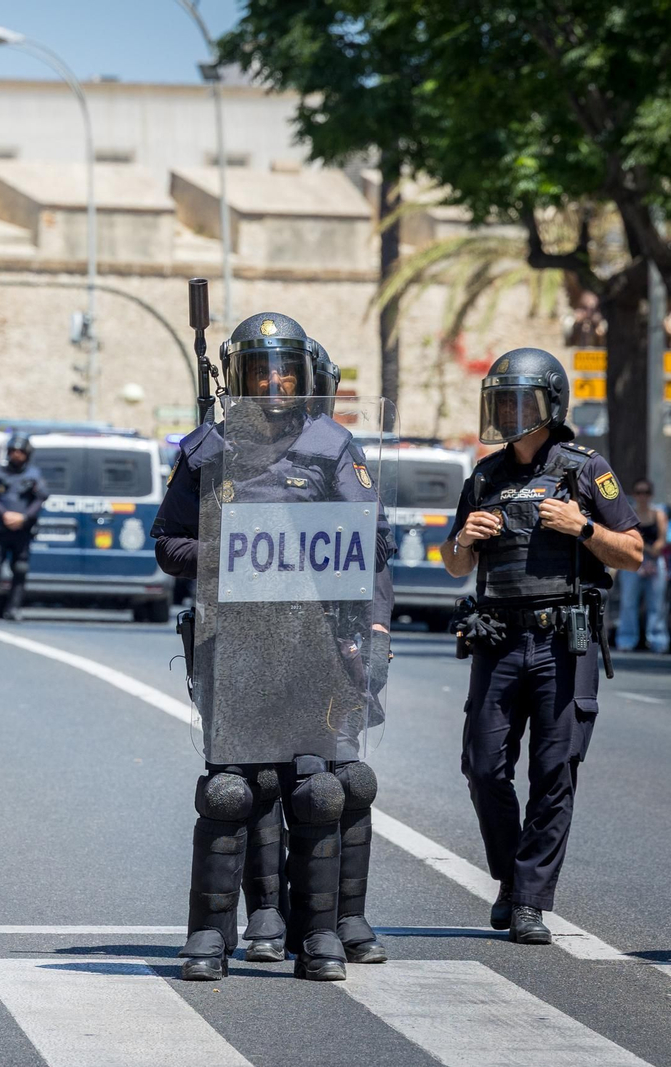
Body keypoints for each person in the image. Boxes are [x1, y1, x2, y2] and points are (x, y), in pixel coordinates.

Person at [152, 311, 394, 982]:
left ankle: (319, 935)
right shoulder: (207, 447)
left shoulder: (333, 445)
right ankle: (210, 935)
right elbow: (167, 543)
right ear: (240, 377)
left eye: (286, 368)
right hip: (234, 644)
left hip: (314, 644)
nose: (276, 380)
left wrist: (372, 625)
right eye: (262, 369)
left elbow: (371, 546)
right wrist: (223, 554)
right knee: (231, 790)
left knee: (317, 791)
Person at [443, 347, 642, 945]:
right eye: (500, 401)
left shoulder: (585, 468)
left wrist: (582, 527)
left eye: (520, 401)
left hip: (563, 640)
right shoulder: (484, 475)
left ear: (551, 405)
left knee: (554, 771)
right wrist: (465, 538)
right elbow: (455, 565)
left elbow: (632, 551)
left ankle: (528, 901)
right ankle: (511, 880)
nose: (508, 412)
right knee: (482, 765)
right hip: (497, 637)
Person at [0, 433, 46, 621]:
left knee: (20, 568)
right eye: (13, 451)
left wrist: (24, 517)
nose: (16, 455)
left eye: (20, 452)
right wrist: (4, 514)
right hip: (0, 528)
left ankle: (14, 608)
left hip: (22, 530)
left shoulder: (33, 476)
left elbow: (40, 499)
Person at [613, 479, 668, 654]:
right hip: (633, 561)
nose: (642, 496)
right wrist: (645, 548)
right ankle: (627, 640)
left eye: (646, 492)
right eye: (638, 492)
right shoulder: (629, 513)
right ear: (634, 494)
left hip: (654, 560)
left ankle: (658, 641)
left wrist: (653, 550)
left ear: (650, 495)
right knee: (629, 602)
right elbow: (625, 536)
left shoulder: (658, 513)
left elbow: (662, 538)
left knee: (657, 604)